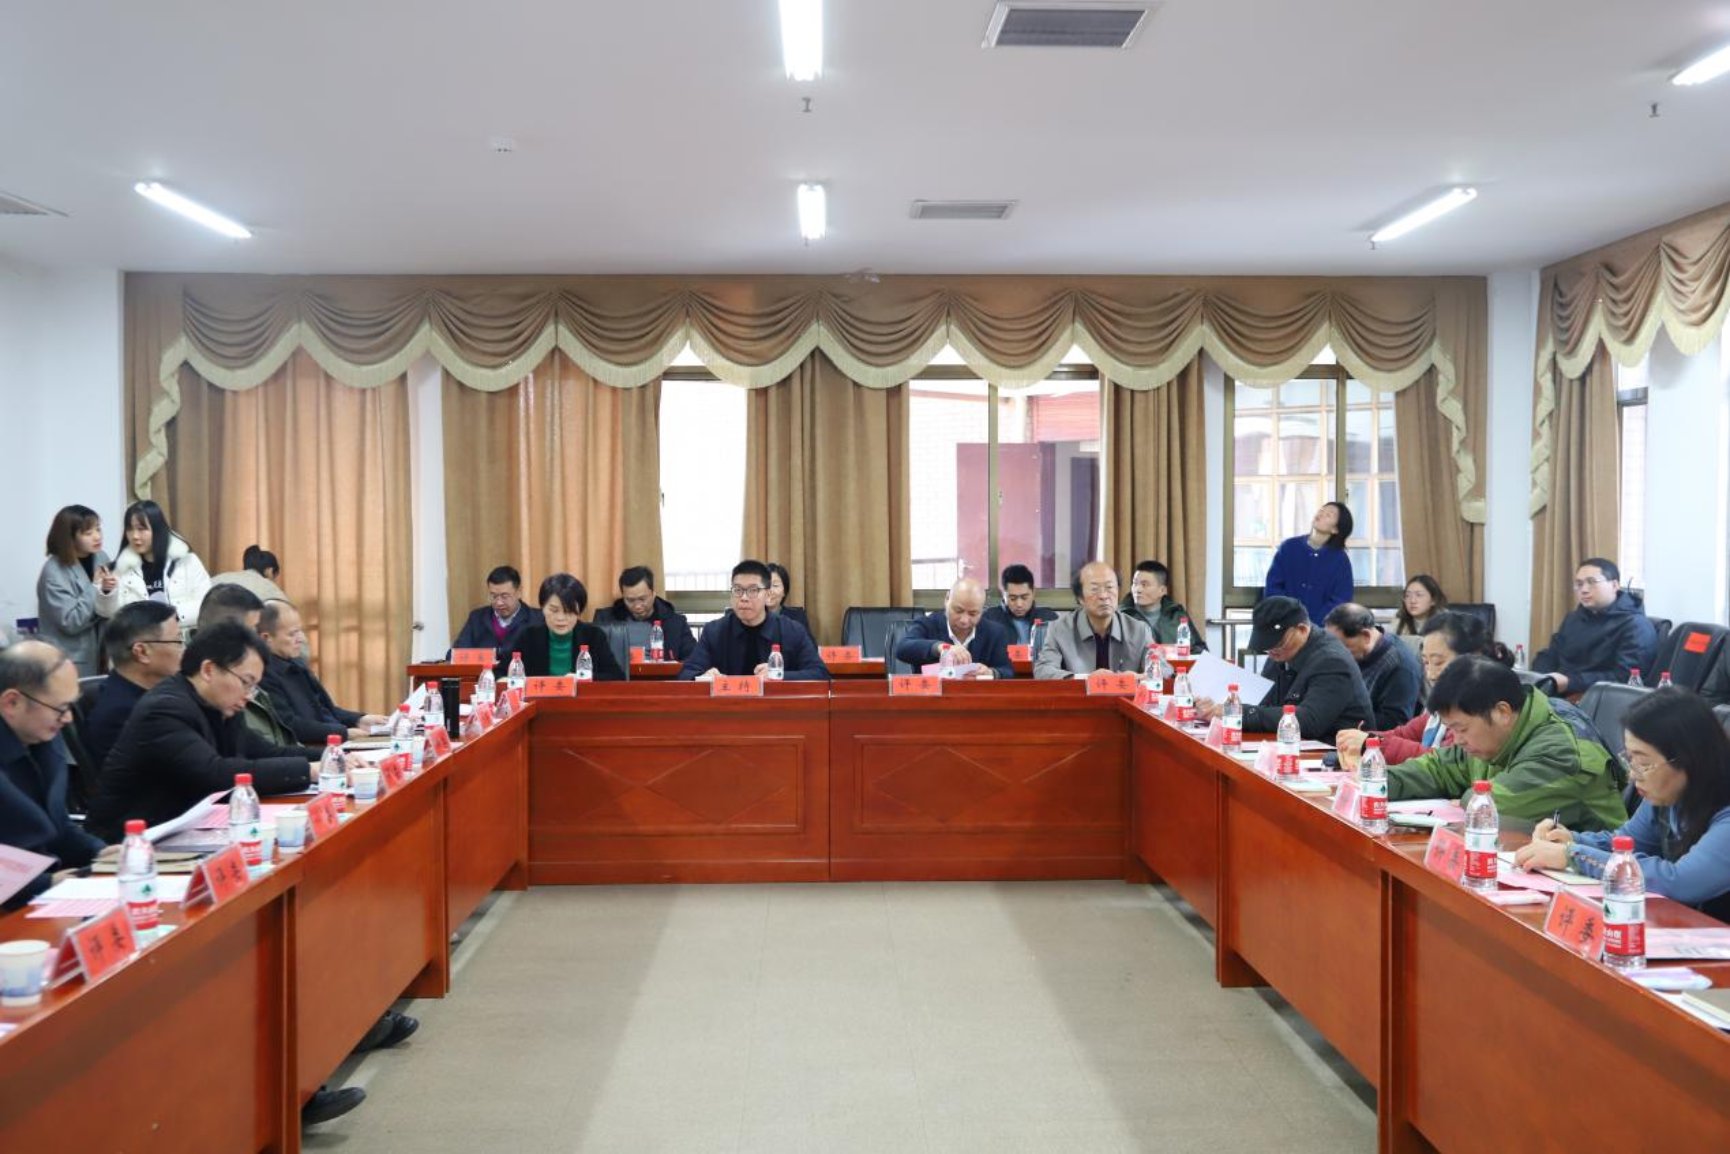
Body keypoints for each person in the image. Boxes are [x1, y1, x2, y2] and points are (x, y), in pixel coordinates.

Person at [86, 621, 331, 840]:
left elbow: (265, 751)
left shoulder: (221, 703)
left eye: (254, 687)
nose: (248, 695)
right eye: (246, 682)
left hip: (189, 831)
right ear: (208, 670)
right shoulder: (164, 709)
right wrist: (309, 771)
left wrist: (331, 757)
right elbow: (214, 774)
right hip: (132, 845)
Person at [1516, 687, 1730, 920]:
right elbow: (1626, 844)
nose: (1632, 775)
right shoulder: (1667, 795)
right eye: (1630, 759)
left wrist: (1574, 856)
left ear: (1689, 759)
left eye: (1644, 763)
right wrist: (1568, 840)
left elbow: (1680, 882)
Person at [1385, 656, 1628, 830]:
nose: (1457, 740)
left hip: (1593, 874)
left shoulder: (1562, 751)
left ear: (1502, 712)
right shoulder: (1494, 735)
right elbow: (1437, 769)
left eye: (1462, 729)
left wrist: (1466, 798)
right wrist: (1377, 783)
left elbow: (1488, 808)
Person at [1335, 610, 1512, 768]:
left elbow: (1449, 763)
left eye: (1438, 662)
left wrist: (1373, 743)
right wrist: (1360, 738)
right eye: (1426, 663)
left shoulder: (1480, 707)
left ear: (1474, 658)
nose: (1431, 675)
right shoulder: (1443, 703)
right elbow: (1405, 733)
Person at [0, 640, 104, 906]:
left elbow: (57, 825)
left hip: (46, 895)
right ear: (12, 702)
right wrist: (44, 884)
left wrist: (100, 853)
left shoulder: (44, 740)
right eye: (61, 708)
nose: (68, 718)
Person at [1194, 595, 1374, 740]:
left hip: (1336, 751)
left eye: (1278, 644)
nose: (1272, 652)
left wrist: (1241, 713)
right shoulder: (1282, 652)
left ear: (1302, 630)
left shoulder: (1332, 661)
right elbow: (1266, 702)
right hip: (1293, 743)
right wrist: (1221, 707)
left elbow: (1309, 721)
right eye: (1267, 647)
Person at [257, 600, 391, 742]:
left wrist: (359, 719)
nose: (301, 639)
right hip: (313, 747)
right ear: (266, 638)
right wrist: (343, 733)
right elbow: (289, 725)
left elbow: (323, 710)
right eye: (292, 634)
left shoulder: (297, 663)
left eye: (300, 631)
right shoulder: (263, 674)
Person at [679, 561, 829, 681]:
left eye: (753, 590)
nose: (744, 598)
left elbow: (820, 673)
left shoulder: (792, 630)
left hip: (776, 707)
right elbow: (686, 673)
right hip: (728, 707)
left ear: (767, 595)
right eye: (738, 590)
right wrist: (703, 677)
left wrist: (779, 675)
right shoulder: (714, 631)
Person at [1531, 558, 1659, 695]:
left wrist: (1569, 682)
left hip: (1597, 698)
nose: (1584, 590)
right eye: (1579, 584)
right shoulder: (1574, 618)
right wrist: (1542, 677)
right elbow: (1551, 654)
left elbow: (1625, 677)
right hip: (1559, 690)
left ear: (1614, 585)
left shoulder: (1636, 626)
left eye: (1592, 582)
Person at [82, 601, 183, 770]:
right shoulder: (124, 714)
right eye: (177, 641)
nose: (183, 649)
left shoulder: (152, 695)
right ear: (141, 652)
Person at [36, 504, 119, 676]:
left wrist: (109, 591)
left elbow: (106, 605)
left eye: (98, 529)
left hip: (102, 652)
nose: (97, 537)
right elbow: (71, 621)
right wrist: (95, 587)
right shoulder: (53, 572)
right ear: (69, 538)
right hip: (70, 659)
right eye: (88, 533)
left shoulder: (101, 557)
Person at [1034, 562, 1152, 679]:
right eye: (1094, 589)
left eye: (1109, 587)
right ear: (1080, 598)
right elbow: (1043, 670)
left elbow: (1160, 670)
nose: (1104, 596)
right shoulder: (1059, 629)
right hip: (1080, 691)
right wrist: (1085, 678)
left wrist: (1137, 678)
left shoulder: (1139, 630)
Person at [110, 499, 211, 632]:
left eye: (141, 529)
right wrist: (105, 592)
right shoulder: (122, 568)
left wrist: (169, 618)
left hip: (183, 637)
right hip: (140, 639)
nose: (134, 536)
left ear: (157, 529)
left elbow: (207, 604)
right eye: (129, 529)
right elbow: (112, 613)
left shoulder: (187, 561)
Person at [508, 574, 626, 680]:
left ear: (579, 612)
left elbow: (617, 677)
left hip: (580, 698)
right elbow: (501, 673)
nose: (560, 618)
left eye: (569, 611)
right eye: (554, 610)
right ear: (542, 608)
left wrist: (583, 678)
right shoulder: (528, 637)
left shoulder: (594, 637)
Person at [1324, 603, 1422, 730]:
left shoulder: (1399, 665)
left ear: (1366, 636)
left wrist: (1339, 720)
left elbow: (1394, 722)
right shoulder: (1356, 654)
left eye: (1342, 647)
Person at [894, 578, 1014, 679]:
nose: (964, 620)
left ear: (982, 610)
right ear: (947, 600)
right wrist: (940, 647)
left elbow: (1007, 671)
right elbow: (902, 648)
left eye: (972, 614)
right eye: (958, 611)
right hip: (933, 697)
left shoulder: (995, 632)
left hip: (976, 697)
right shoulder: (928, 623)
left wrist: (991, 673)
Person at [1262, 501, 1354, 626]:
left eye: (1328, 515)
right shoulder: (1289, 547)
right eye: (1321, 510)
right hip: (1284, 625)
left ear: (1335, 529)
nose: (1321, 514)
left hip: (1321, 629)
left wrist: (1314, 624)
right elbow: (1273, 586)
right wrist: (1288, 617)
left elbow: (1341, 599)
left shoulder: (1340, 560)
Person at [591, 565, 696, 660]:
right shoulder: (605, 620)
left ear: (653, 594)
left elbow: (692, 660)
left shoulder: (675, 623)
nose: (637, 606)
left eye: (642, 599)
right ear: (623, 597)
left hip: (661, 675)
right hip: (619, 675)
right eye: (630, 600)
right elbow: (593, 658)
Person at [449, 566, 544, 658]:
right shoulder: (476, 618)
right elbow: (453, 655)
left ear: (519, 592)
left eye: (505, 596)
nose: (499, 603)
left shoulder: (537, 619)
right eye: (494, 596)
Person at [1120, 559, 1205, 650]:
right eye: (1135, 583)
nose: (1138, 589)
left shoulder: (1176, 615)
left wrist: (1173, 651)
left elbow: (1199, 649)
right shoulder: (1121, 616)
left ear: (1162, 590)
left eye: (1144, 585)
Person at [981, 563, 1060, 647]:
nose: (1019, 604)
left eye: (1024, 597)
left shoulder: (1048, 618)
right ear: (1003, 594)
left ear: (1033, 592)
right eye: (1013, 598)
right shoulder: (989, 619)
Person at [208, 544, 289, 605]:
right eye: (274, 577)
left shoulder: (219, 578)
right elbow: (286, 614)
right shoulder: (269, 588)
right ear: (269, 571)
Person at [764, 563, 811, 634]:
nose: (770, 591)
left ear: (784, 592)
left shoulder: (797, 617)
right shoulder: (749, 617)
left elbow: (808, 641)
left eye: (775, 585)